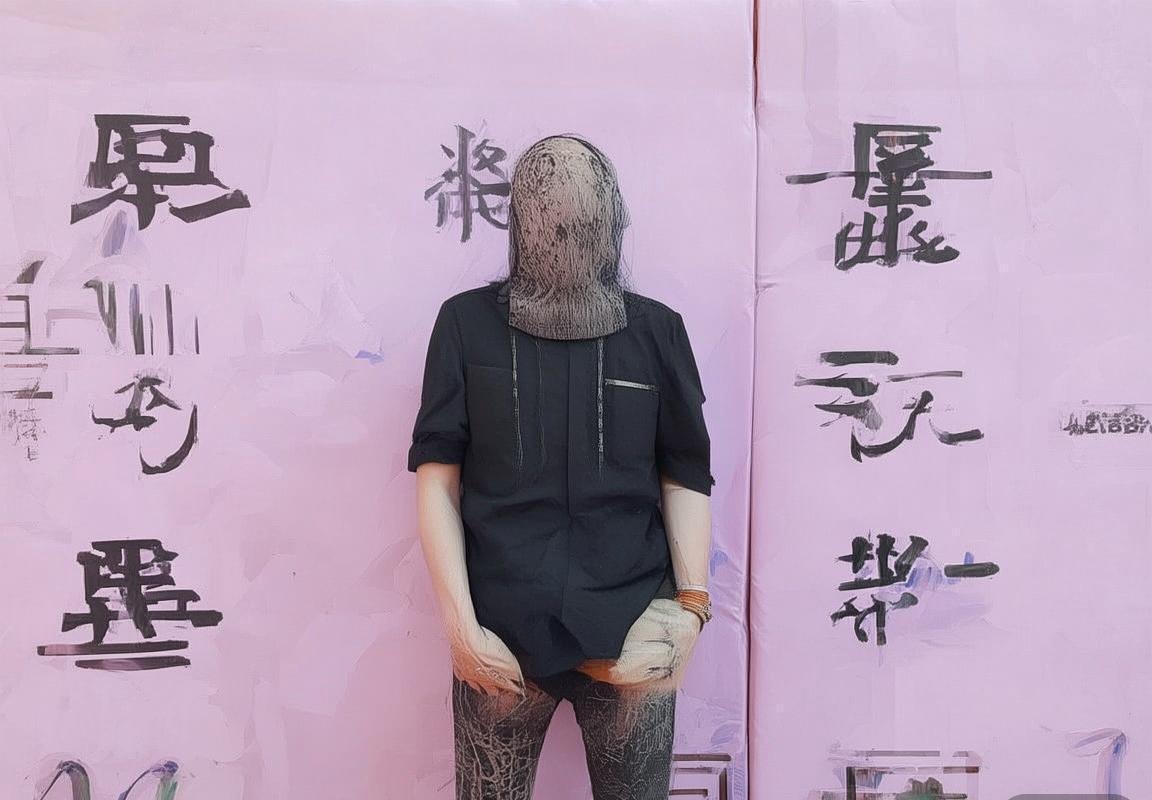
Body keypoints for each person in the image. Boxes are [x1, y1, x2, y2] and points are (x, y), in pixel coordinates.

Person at [408, 134, 715, 800]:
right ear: (520, 221)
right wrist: (460, 628)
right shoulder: (464, 325)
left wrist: (691, 609)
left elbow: (686, 474)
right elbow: (437, 479)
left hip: (635, 632)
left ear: (614, 220)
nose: (567, 233)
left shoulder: (658, 332)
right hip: (500, 639)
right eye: (550, 215)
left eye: (583, 217)